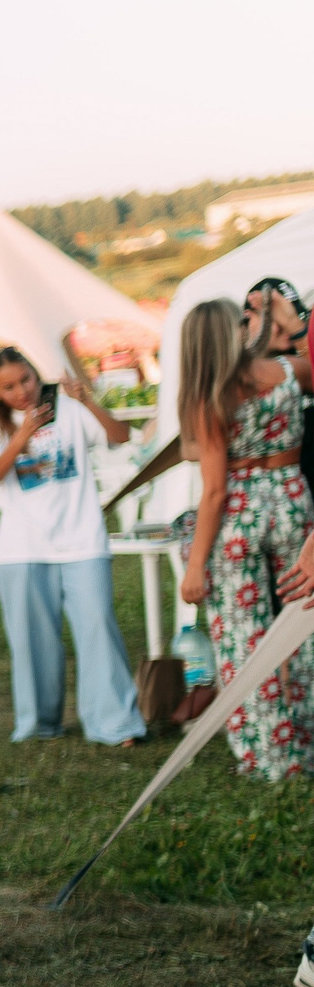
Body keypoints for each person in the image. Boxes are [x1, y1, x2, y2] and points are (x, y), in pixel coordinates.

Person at [0, 347, 145, 747]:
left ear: (38, 374)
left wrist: (86, 399)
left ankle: (115, 722)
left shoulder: (70, 408)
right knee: (32, 640)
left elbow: (120, 436)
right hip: (21, 548)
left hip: (82, 539)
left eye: (27, 380)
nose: (22, 391)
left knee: (98, 628)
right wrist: (22, 435)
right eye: (9, 387)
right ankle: (39, 724)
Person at [177, 297, 313, 779]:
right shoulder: (289, 371)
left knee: (243, 639)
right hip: (293, 499)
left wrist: (195, 565)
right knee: (302, 629)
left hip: (239, 515)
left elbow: (214, 492)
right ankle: (308, 744)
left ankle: (269, 758)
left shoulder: (211, 396)